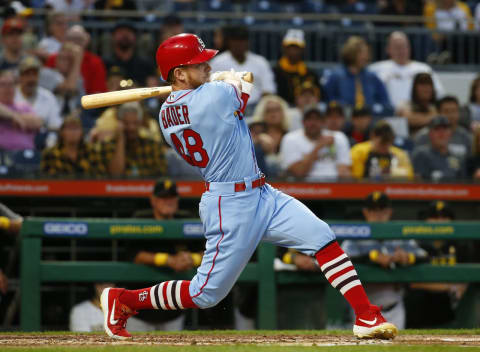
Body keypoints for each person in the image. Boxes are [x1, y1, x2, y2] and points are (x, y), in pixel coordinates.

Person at [100, 33, 398, 340]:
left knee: (322, 237)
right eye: (199, 64)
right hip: (229, 204)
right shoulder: (214, 96)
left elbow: (229, 90)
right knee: (204, 294)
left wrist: (222, 80)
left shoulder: (164, 115)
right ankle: (124, 300)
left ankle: (365, 315)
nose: (207, 66)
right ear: (179, 74)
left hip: (261, 193)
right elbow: (246, 84)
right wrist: (233, 79)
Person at [342, 192, 428, 329]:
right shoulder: (356, 236)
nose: (378, 215)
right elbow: (343, 260)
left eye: (382, 210)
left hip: (394, 307)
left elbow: (424, 256)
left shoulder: (399, 234)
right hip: (364, 307)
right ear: (365, 212)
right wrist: (372, 257)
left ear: (389, 212)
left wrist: (407, 257)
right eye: (373, 211)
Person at [128, 179, 203, 331]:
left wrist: (192, 258)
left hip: (173, 309)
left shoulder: (187, 220)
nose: (168, 201)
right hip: (140, 310)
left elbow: (207, 250)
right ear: (153, 200)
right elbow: (133, 254)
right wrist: (167, 260)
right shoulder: (141, 219)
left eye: (171, 197)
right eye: (163, 198)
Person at [369, 32, 444, 109]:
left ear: (410, 48)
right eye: (397, 47)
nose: (401, 51)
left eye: (404, 46)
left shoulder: (424, 69)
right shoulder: (376, 69)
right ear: (388, 49)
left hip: (417, 114)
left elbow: (439, 93)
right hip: (388, 115)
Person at [322, 36, 393, 118]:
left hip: (369, 121)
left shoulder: (373, 77)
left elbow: (386, 104)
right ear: (352, 53)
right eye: (362, 53)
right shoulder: (335, 76)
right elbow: (328, 101)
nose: (366, 57)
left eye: (367, 53)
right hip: (343, 121)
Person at [209, 26, 276, 109]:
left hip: (256, 108)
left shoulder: (260, 62)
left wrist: (260, 109)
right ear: (229, 42)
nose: (239, 44)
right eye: (235, 41)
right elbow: (210, 90)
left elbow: (268, 90)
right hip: (227, 108)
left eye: (242, 40)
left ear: (247, 42)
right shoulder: (217, 62)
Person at [280, 106, 351, 181]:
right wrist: (318, 146)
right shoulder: (290, 139)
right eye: (309, 119)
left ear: (324, 122)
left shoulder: (338, 137)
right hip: (304, 187)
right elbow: (299, 172)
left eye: (317, 119)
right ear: (303, 122)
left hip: (334, 185)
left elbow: (343, 171)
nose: (313, 123)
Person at [103, 102, 167, 177]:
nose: (131, 128)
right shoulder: (109, 146)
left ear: (140, 123)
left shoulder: (153, 146)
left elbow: (161, 175)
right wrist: (121, 140)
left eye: (135, 123)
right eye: (126, 123)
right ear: (120, 124)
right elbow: (115, 174)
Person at [14, 56, 62, 148]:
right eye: (27, 74)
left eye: (34, 74)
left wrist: (50, 146)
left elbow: (56, 125)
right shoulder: (12, 95)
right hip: (15, 144)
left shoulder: (48, 97)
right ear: (20, 77)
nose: (31, 79)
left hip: (42, 144)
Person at [45, 25, 108, 95]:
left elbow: (98, 92)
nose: (75, 43)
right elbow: (68, 90)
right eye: (71, 39)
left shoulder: (95, 62)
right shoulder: (54, 58)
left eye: (79, 40)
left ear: (86, 41)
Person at [40, 114, 108, 176]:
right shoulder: (50, 154)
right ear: (62, 132)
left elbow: (100, 179)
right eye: (69, 128)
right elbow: (45, 181)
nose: (73, 132)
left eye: (76, 128)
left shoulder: (92, 152)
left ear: (82, 132)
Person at [70, 283, 148, 332]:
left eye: (109, 283)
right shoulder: (80, 311)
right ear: (95, 286)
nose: (105, 288)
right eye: (101, 284)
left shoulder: (125, 308)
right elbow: (82, 342)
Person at [273, 29, 321, 106]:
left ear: (302, 50)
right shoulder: (275, 72)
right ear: (284, 48)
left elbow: (318, 96)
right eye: (290, 47)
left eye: (297, 47)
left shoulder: (310, 74)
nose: (293, 51)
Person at [412, 115, 467, 181]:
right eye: (437, 129)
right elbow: (418, 184)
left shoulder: (458, 158)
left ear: (450, 133)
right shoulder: (421, 155)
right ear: (430, 134)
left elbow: (464, 185)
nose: (441, 133)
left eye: (445, 129)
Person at [104, 21, 157, 87]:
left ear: (135, 37)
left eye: (129, 32)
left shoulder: (146, 64)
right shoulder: (104, 64)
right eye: (120, 32)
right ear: (113, 37)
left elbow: (153, 89)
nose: (124, 35)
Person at [0, 69, 42, 151]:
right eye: (3, 84)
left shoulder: (24, 106)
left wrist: (9, 116)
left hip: (26, 154)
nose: (7, 88)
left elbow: (37, 123)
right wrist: (14, 117)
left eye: (11, 84)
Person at [395, 72, 437, 137]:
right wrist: (435, 118)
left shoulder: (435, 106)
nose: (426, 88)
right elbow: (409, 119)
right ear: (414, 88)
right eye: (422, 84)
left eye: (429, 84)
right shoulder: (404, 105)